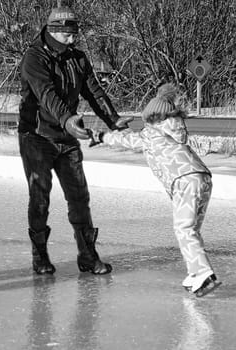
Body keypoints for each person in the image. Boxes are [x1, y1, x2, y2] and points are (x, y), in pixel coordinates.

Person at [18, 2, 131, 275]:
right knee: (40, 197)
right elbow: (47, 95)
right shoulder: (34, 58)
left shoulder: (77, 58)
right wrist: (68, 119)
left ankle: (88, 256)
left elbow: (93, 91)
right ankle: (40, 256)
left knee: (80, 197)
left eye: (75, 33)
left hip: (66, 139)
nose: (74, 38)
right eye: (69, 34)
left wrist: (112, 120)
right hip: (37, 137)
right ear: (55, 30)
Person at [90, 83, 220, 296]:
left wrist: (101, 136)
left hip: (184, 180)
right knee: (190, 230)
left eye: (148, 119)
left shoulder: (151, 133)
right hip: (203, 179)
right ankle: (195, 272)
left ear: (153, 117)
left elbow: (127, 140)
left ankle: (203, 273)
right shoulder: (173, 127)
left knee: (185, 229)